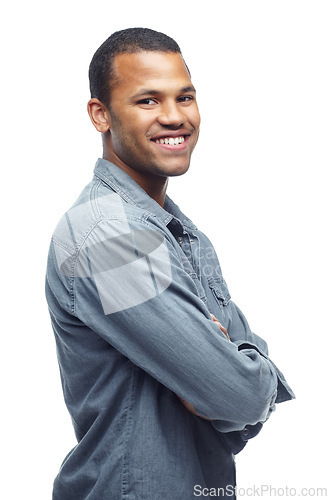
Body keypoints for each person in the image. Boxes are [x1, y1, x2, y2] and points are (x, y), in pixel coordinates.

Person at [46, 27, 294, 499]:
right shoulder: (107, 237)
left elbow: (236, 408)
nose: (174, 117)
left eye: (185, 97)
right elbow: (236, 396)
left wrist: (227, 377)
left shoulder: (177, 231)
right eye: (147, 101)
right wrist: (230, 374)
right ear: (100, 114)